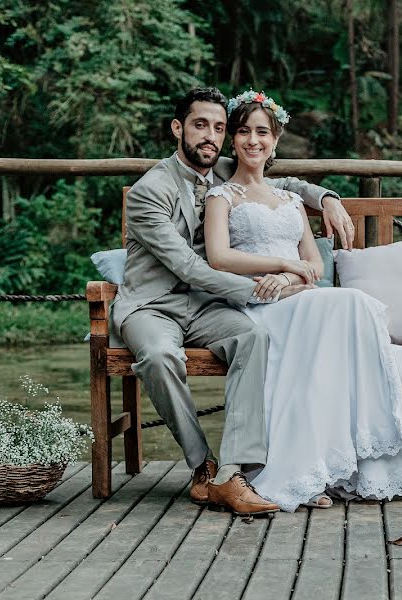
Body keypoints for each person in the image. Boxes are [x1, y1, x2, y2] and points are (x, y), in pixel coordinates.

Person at [202, 90, 402, 512]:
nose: (253, 141)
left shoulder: (289, 199)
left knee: (357, 319)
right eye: (244, 132)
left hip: (298, 296)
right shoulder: (222, 196)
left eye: (262, 133)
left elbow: (312, 265)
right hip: (256, 305)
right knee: (353, 303)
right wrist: (282, 267)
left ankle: (323, 470)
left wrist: (290, 274)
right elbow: (219, 256)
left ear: (276, 140)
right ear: (233, 139)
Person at [110, 87, 357, 515]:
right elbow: (188, 266)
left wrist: (327, 198)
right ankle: (202, 465)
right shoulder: (150, 191)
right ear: (177, 128)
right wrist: (268, 287)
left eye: (218, 128)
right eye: (199, 125)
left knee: (251, 337)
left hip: (205, 305)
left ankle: (234, 471)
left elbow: (283, 183)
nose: (210, 136)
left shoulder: (222, 169)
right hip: (152, 305)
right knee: (158, 356)